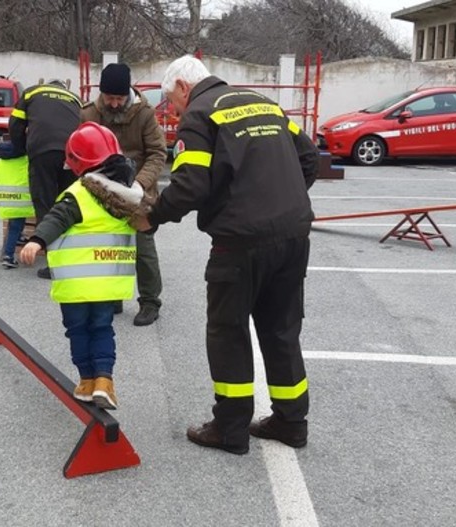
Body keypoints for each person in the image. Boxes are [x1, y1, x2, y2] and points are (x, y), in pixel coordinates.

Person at [131, 56, 319, 454]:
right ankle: (291, 422)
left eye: (171, 100)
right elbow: (309, 157)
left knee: (228, 332)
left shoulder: (200, 114)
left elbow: (190, 184)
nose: (174, 109)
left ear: (183, 86)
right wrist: (282, 201)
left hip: (240, 243)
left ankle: (230, 429)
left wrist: (154, 217)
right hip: (292, 236)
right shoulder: (264, 102)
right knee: (281, 329)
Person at [20, 122, 143, 409]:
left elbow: (56, 218)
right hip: (107, 284)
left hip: (77, 284)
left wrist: (36, 240)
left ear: (78, 163)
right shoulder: (129, 194)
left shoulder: (79, 193)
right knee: (102, 328)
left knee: (77, 329)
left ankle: (86, 379)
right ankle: (104, 381)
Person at [81, 63, 167, 327]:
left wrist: (140, 183)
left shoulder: (144, 114)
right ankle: (113, 296)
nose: (114, 104)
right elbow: (81, 149)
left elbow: (157, 153)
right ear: (102, 93)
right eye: (109, 98)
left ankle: (150, 301)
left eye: (119, 98)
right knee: (108, 247)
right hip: (103, 190)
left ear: (127, 93)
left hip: (138, 191)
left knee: (143, 248)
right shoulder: (89, 113)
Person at [9, 79, 82, 278]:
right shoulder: (76, 98)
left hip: (43, 152)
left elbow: (15, 125)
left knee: (45, 205)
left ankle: (53, 265)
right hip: (72, 155)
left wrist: (22, 148)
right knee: (68, 205)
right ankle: (71, 258)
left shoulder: (32, 93)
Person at [0, 138, 35, 269]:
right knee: (15, 225)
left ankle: (18, 237)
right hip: (22, 201)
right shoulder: (26, 161)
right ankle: (8, 256)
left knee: (16, 222)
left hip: (3, 201)